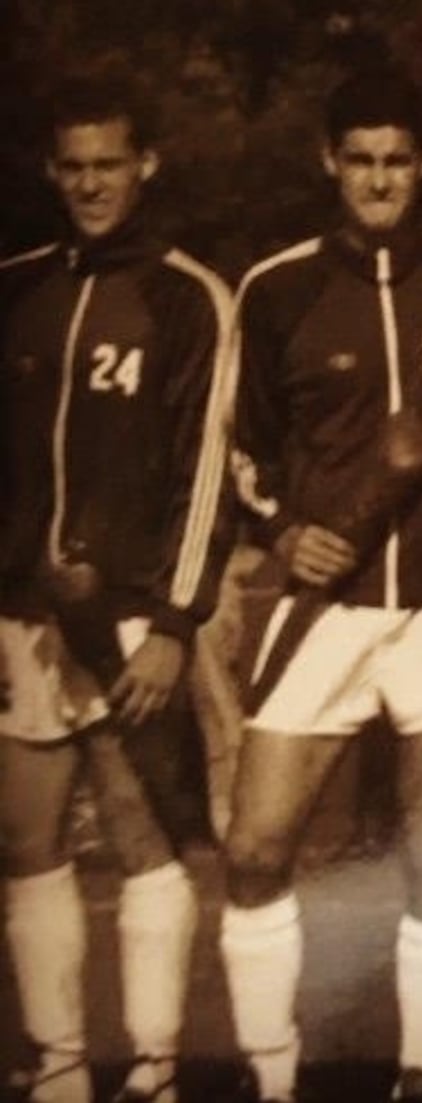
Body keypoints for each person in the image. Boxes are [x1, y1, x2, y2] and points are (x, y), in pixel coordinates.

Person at [221, 68, 422, 1103]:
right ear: (328, 164)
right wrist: (288, 531)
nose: (379, 179)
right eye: (359, 160)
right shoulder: (276, 286)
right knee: (254, 846)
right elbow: (244, 452)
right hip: (320, 609)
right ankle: (270, 1073)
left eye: (397, 160)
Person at [0, 70, 234, 1103]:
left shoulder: (187, 295)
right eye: (74, 167)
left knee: (141, 831)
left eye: (111, 164)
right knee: (28, 835)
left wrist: (174, 623)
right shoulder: (14, 286)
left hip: (138, 614)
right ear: (53, 172)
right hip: (21, 615)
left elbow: (206, 473)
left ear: (147, 165)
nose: (92, 184)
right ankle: (56, 1064)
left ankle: (154, 1064)